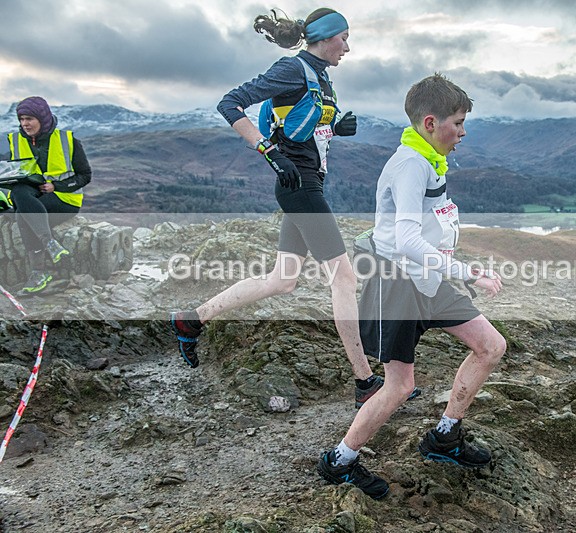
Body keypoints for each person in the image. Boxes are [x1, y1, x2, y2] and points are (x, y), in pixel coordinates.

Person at [169, 8, 418, 408]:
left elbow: (297, 122)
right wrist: (268, 151)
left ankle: (191, 319)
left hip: (305, 184)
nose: (348, 48)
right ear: (325, 37)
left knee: (282, 280)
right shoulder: (292, 69)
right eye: (344, 39)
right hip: (298, 185)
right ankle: (365, 380)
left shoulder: (320, 75)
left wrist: (334, 127)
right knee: (344, 279)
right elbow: (230, 104)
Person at [316, 74, 507, 499]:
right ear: (429, 122)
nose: (462, 132)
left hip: (430, 279)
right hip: (397, 285)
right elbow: (405, 239)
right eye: (457, 122)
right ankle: (340, 460)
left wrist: (448, 265)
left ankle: (444, 436)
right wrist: (468, 273)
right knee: (399, 386)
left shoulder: (430, 160)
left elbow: (428, 227)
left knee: (491, 346)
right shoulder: (410, 166)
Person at [1, 96, 91, 294]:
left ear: (42, 118)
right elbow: (15, 171)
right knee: (18, 192)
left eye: (29, 119)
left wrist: (57, 186)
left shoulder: (68, 140)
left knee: (22, 216)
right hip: (33, 198)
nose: (25, 124)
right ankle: (50, 245)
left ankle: (39, 273)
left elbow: (85, 175)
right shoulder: (16, 140)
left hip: (64, 200)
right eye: (22, 119)